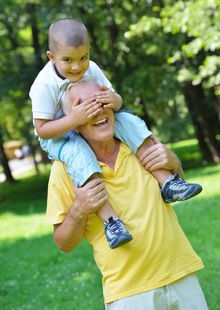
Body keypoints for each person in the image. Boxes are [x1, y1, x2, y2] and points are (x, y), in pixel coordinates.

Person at [30, 18, 202, 249]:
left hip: (85, 118)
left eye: (83, 57)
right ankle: (112, 222)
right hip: (58, 134)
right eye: (67, 60)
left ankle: (168, 182)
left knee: (130, 120)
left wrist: (113, 100)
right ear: (51, 57)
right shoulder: (43, 85)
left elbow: (117, 101)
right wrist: (74, 120)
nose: (77, 67)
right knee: (79, 154)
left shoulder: (91, 69)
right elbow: (42, 129)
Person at [46, 80, 208, 310]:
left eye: (101, 100)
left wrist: (175, 163)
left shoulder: (140, 143)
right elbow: (64, 243)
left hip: (182, 274)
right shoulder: (64, 170)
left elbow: (173, 189)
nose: (97, 109)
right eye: (84, 105)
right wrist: (78, 210)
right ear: (71, 124)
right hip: (129, 294)